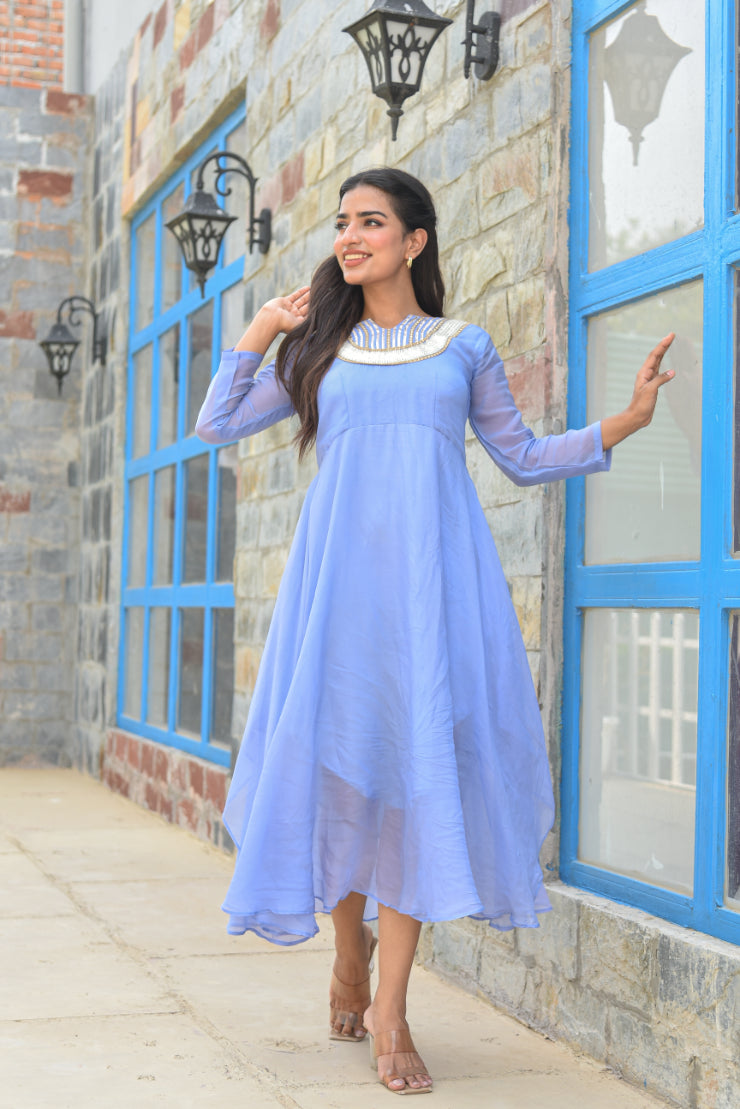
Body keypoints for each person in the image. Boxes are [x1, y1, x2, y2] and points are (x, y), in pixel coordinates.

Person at [195, 167, 674, 1096]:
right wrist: (263, 328)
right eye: (342, 223)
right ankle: (348, 952)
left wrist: (626, 419)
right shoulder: (321, 351)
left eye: (370, 221)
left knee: (416, 782)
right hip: (336, 598)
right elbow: (215, 424)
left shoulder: (463, 347)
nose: (350, 236)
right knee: (336, 773)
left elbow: (523, 457)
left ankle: (392, 1007)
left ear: (415, 240)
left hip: (429, 597)